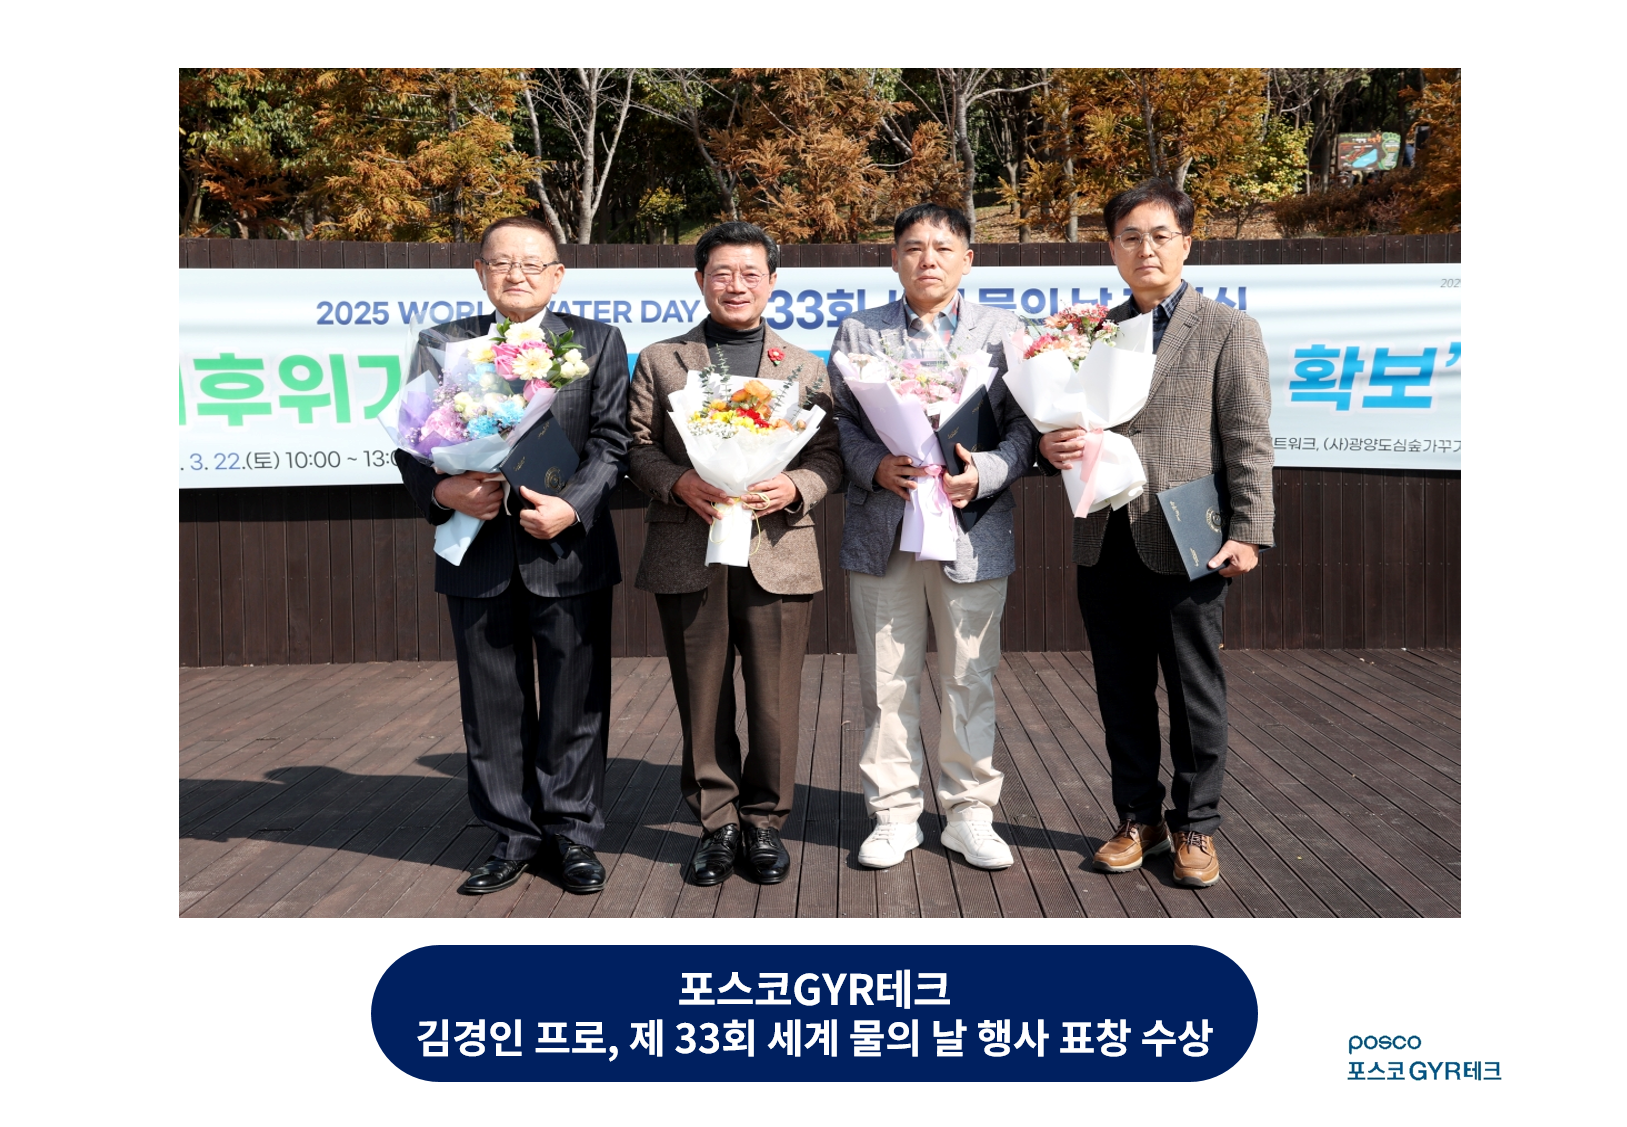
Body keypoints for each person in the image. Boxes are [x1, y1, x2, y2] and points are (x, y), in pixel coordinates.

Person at [1037, 179, 1274, 888]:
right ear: (1111, 249)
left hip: (1188, 535)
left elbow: (1248, 440)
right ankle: (1137, 817)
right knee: (1120, 689)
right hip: (1105, 534)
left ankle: (1196, 824)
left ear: (1186, 244)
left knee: (1194, 688)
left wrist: (1248, 531)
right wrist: (1050, 445)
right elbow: (1060, 421)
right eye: (1130, 237)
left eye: (1160, 235)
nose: (1146, 249)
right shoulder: (1087, 334)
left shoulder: (1228, 329)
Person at [394, 216, 630, 896]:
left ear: (558, 274)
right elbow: (411, 444)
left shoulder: (596, 341)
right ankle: (511, 835)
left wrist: (572, 506)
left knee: (575, 701)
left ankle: (572, 833)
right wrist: (441, 489)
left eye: (532, 263)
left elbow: (611, 440)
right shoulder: (443, 344)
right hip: (476, 550)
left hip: (567, 548)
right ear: (480, 271)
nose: (516, 274)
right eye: (501, 262)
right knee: (490, 703)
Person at [626, 221, 842, 887]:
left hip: (777, 548)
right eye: (721, 272)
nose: (736, 284)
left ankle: (764, 821)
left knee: (774, 699)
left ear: (772, 282)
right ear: (700, 280)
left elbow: (829, 455)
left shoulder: (805, 366)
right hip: (687, 545)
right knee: (702, 695)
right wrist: (677, 482)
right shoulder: (662, 359)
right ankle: (716, 823)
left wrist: (795, 486)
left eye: (750, 273)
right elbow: (636, 446)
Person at [827, 203, 1037, 872]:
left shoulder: (1003, 331)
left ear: (967, 260)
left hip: (971, 530)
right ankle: (893, 813)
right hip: (884, 529)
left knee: (969, 677)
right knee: (884, 680)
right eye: (913, 247)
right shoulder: (860, 330)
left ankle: (969, 812)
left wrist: (987, 473)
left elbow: (1026, 428)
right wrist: (874, 465)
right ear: (894, 258)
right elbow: (840, 422)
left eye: (943, 248)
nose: (928, 259)